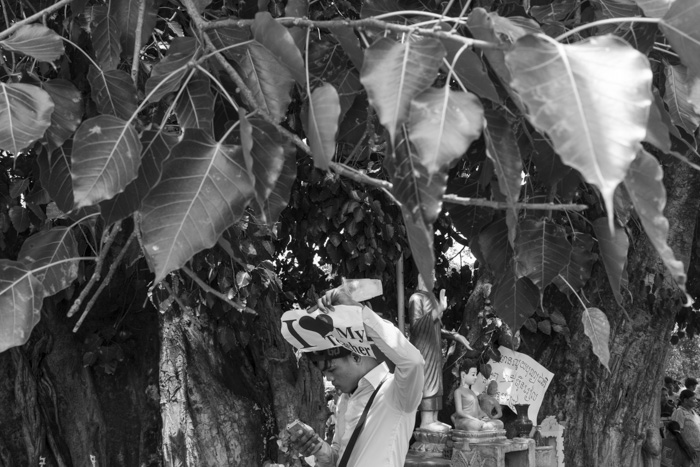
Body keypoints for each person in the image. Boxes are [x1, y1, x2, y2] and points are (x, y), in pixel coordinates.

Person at [288, 285, 424, 467]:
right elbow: (340, 459)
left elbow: (413, 361)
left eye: (332, 370)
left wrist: (358, 313)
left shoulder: (397, 393)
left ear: (356, 355)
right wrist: (317, 448)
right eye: (324, 373)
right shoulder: (344, 401)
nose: (328, 379)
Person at [409, 274, 473, 432]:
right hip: (424, 349)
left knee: (436, 383)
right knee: (428, 382)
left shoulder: (430, 299)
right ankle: (426, 421)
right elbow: (416, 325)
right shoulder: (416, 298)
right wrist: (439, 310)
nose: (434, 279)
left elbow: (436, 326)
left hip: (435, 348)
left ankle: (434, 419)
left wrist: (456, 336)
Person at [451, 362, 504, 432]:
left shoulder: (472, 392)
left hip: (476, 420)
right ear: (463, 375)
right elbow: (459, 412)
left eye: (476, 374)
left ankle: (484, 427)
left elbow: (479, 410)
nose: (475, 377)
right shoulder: (458, 391)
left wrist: (486, 417)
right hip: (465, 421)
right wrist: (473, 419)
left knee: (500, 423)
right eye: (473, 374)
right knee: (475, 425)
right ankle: (483, 427)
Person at [671, 390, 700, 464]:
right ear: (685, 400)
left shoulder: (693, 412)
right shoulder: (679, 412)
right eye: (693, 399)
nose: (696, 401)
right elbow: (676, 432)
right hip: (688, 451)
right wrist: (687, 447)